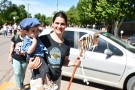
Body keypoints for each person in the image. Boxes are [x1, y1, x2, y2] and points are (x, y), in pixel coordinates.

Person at [28, 11, 81, 90]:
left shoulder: (67, 43)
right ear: (52, 24)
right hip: (39, 81)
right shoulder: (42, 39)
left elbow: (64, 61)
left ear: (66, 25)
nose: (59, 26)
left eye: (62, 24)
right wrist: (30, 65)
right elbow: (29, 55)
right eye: (57, 23)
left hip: (55, 81)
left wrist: (74, 62)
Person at [20, 18, 56, 90]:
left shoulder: (37, 38)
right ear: (26, 32)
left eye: (37, 30)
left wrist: (47, 52)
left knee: (39, 72)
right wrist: (34, 42)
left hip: (38, 56)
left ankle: (40, 86)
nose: (36, 32)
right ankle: (48, 82)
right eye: (33, 31)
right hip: (34, 56)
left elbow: (42, 47)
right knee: (44, 68)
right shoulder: (28, 40)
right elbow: (29, 51)